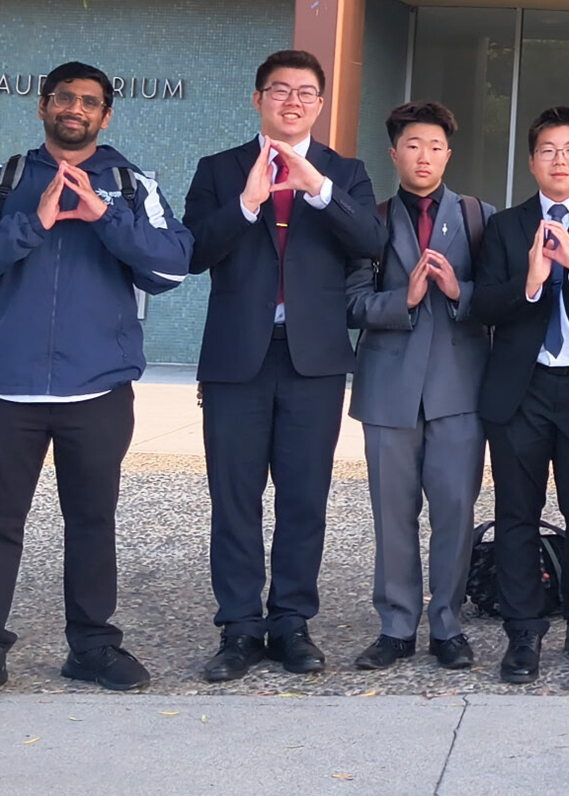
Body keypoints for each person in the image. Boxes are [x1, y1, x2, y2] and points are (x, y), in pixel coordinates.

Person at [0, 61, 192, 706]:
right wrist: (31, 224)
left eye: (90, 102)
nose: (75, 108)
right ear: (43, 105)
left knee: (93, 521)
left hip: (96, 388)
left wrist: (104, 216)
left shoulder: (133, 184)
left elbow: (172, 268)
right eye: (64, 98)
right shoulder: (1, 180)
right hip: (4, 388)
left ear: (106, 115)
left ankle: (92, 646)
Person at [185, 49, 384, 682]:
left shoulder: (344, 173)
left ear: (320, 105)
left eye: (305, 92)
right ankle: (240, 628)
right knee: (234, 498)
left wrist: (318, 192)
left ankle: (292, 622)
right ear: (258, 98)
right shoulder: (219, 170)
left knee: (304, 498)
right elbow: (193, 253)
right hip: (236, 360)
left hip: (314, 360)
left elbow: (373, 244)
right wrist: (245, 204)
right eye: (279, 90)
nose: (292, 100)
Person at [473, 106, 569, 684]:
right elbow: (483, 305)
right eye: (547, 150)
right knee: (517, 513)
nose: (559, 160)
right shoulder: (506, 227)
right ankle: (523, 632)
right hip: (523, 388)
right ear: (532, 160)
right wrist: (532, 282)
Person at [343, 101, 492, 673]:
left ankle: (448, 624)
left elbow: (501, 298)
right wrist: (399, 300)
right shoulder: (370, 220)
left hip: (459, 390)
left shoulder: (480, 217)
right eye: (412, 145)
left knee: (455, 510)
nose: (423, 156)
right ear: (394, 153)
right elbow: (352, 303)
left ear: (448, 153)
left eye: (434, 146)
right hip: (389, 391)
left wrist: (461, 292)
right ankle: (396, 625)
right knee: (392, 513)